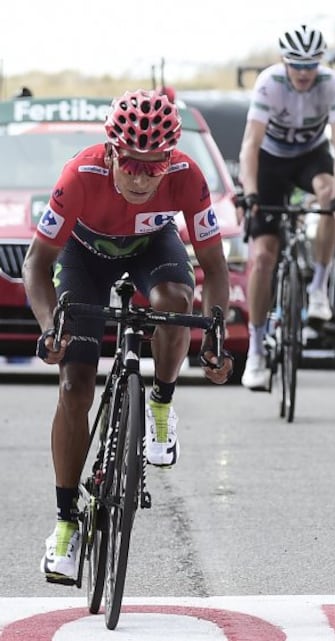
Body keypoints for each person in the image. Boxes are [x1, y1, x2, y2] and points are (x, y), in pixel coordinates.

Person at [22, 89, 233, 585]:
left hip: (150, 249)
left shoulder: (187, 177)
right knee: (75, 386)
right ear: (112, 151)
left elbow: (215, 267)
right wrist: (52, 325)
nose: (140, 177)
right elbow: (36, 264)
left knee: (175, 301)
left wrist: (215, 340)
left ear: (171, 158)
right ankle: (66, 525)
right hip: (83, 258)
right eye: (131, 163)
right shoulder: (81, 175)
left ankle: (160, 403)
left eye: (154, 165)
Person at [238, 24, 335, 390]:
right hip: (270, 162)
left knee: (327, 195)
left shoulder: (331, 83)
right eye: (296, 64)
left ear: (320, 63)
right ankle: (256, 351)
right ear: (284, 62)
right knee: (265, 255)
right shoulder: (270, 84)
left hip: (310, 157)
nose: (304, 72)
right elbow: (250, 144)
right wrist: (251, 192)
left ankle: (318, 289)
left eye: (311, 65)